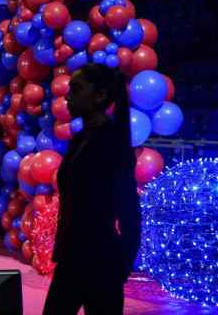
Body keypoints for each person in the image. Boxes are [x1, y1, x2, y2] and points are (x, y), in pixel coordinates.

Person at [43, 64, 141, 315]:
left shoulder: (112, 142)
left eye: (76, 89)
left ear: (99, 96)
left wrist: (121, 267)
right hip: (71, 258)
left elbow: (129, 212)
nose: (67, 96)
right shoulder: (80, 138)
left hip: (101, 262)